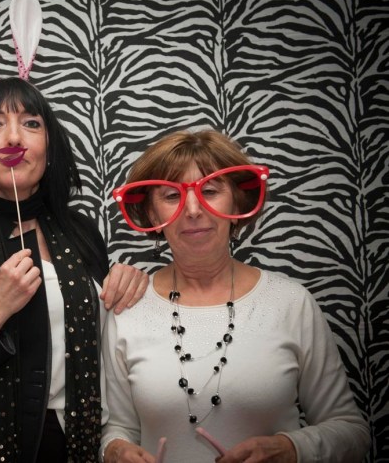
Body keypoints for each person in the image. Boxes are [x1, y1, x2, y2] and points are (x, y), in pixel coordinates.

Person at [0, 77, 148, 463]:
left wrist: (132, 287)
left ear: (48, 147)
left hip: (79, 447)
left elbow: (109, 347)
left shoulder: (82, 232)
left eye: (31, 123)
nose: (14, 137)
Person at [101, 129, 370, 462]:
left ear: (237, 201)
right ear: (153, 215)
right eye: (171, 196)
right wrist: (115, 450)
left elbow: (352, 431)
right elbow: (118, 428)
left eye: (210, 191)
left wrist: (291, 448)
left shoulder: (290, 303)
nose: (193, 209)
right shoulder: (128, 308)